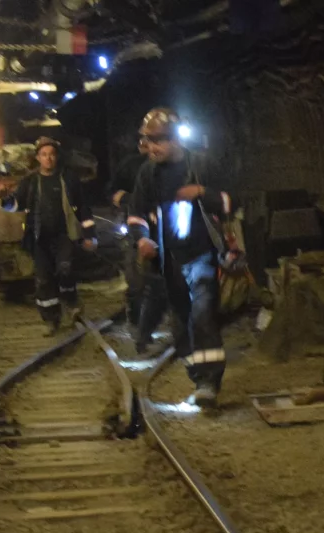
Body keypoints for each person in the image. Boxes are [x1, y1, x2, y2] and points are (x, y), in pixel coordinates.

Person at [128, 107, 231, 407]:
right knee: (182, 321)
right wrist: (142, 238)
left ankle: (209, 382)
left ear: (175, 140)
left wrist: (201, 192)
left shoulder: (201, 166)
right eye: (148, 140)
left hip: (201, 253)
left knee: (202, 313)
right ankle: (198, 376)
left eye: (158, 140)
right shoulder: (148, 173)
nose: (152, 147)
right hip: (169, 259)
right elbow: (136, 213)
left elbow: (231, 202)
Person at [0, 137, 97, 335]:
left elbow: (83, 208)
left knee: (65, 269)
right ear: (38, 158)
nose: (48, 158)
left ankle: (70, 301)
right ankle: (51, 319)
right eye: (44, 155)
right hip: (39, 238)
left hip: (64, 235)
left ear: (57, 156)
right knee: (44, 279)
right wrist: (4, 199)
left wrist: (90, 235)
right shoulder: (31, 181)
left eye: (51, 154)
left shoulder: (68, 179)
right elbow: (16, 206)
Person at [110, 135, 168, 354]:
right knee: (137, 281)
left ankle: (151, 329)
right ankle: (136, 321)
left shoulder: (175, 165)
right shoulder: (131, 166)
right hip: (137, 227)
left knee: (162, 283)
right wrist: (129, 200)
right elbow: (113, 192)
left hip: (164, 228)